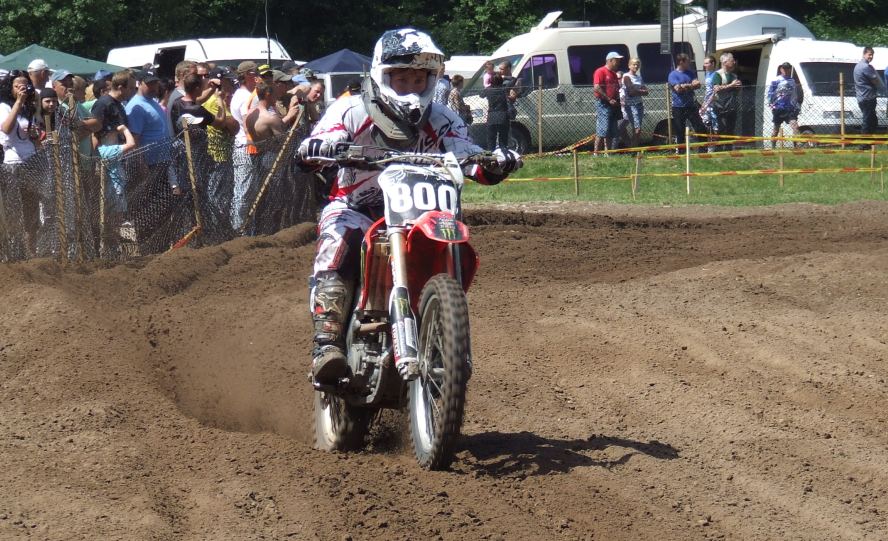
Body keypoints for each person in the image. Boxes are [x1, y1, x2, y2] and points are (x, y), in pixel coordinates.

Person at [298, 28, 522, 384]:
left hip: (421, 214)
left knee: (450, 242)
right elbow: (318, 143)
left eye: (419, 79)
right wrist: (322, 148)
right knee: (339, 240)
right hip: (357, 208)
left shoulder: (443, 118)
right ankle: (327, 342)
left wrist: (494, 163)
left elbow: (468, 156)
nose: (411, 87)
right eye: (402, 79)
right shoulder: (351, 109)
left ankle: (444, 328)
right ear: (382, 75)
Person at [667, 53, 706, 147]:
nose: (689, 63)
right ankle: (681, 151)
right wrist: (691, 85)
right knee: (680, 130)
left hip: (691, 105)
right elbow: (678, 89)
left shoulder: (690, 73)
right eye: (688, 61)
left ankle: (703, 149)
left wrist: (685, 85)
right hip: (678, 107)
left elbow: (698, 84)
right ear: (681, 62)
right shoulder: (673, 75)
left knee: (700, 127)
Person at [709, 53, 742, 147]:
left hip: (732, 106)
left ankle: (728, 150)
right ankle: (719, 149)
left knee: (731, 129)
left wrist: (738, 86)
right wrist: (731, 85)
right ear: (724, 62)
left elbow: (736, 91)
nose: (734, 62)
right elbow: (716, 89)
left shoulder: (734, 76)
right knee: (722, 128)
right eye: (732, 60)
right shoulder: (717, 74)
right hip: (721, 106)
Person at [593, 51, 622, 153]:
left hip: (613, 105)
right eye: (617, 60)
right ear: (610, 60)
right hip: (603, 104)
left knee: (611, 130)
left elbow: (616, 89)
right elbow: (597, 87)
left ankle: (607, 152)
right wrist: (609, 99)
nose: (618, 63)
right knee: (603, 129)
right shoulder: (600, 71)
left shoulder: (614, 74)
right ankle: (596, 153)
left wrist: (618, 101)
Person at [767, 62, 802, 143]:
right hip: (778, 108)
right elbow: (770, 93)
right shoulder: (776, 80)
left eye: (787, 68)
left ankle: (796, 146)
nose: (785, 70)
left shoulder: (792, 81)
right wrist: (772, 105)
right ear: (781, 69)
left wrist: (795, 105)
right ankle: (773, 146)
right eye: (784, 68)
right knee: (776, 129)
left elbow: (794, 94)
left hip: (789, 108)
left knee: (795, 127)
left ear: (790, 69)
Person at [853, 47, 883, 136]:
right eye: (869, 54)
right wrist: (881, 87)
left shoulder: (857, 66)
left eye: (872, 55)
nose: (871, 57)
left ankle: (870, 139)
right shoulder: (866, 67)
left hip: (861, 97)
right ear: (864, 54)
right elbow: (875, 81)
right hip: (868, 98)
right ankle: (864, 140)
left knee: (872, 121)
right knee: (868, 122)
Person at [620, 57, 648, 148]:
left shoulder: (639, 77)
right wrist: (640, 91)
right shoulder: (626, 76)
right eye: (634, 64)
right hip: (630, 105)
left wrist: (637, 91)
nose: (636, 66)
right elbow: (630, 92)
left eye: (637, 64)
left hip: (639, 105)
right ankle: (633, 148)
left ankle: (633, 148)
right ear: (629, 65)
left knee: (636, 128)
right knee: (637, 129)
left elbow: (646, 92)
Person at [480, 74, 509, 150]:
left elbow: (481, 95)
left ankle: (489, 155)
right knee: (503, 139)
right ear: (501, 81)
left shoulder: (488, 89)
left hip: (491, 116)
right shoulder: (504, 89)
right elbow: (514, 79)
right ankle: (504, 154)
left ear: (491, 81)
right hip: (503, 116)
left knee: (490, 140)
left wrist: (489, 86)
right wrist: (505, 77)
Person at [699, 55, 719, 148]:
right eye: (704, 63)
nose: (705, 65)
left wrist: (707, 104)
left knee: (715, 123)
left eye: (707, 63)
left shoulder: (716, 75)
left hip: (714, 103)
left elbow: (714, 92)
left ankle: (716, 145)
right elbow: (707, 90)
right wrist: (704, 103)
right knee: (705, 120)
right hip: (707, 102)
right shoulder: (707, 74)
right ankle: (709, 143)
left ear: (713, 64)